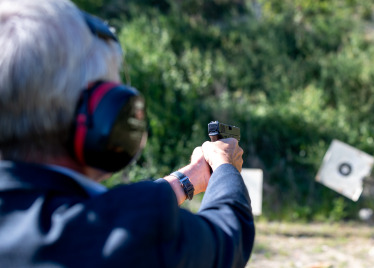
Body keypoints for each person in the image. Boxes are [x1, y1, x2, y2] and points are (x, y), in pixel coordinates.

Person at [0, 0, 255, 267]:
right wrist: (225, 167)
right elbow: (228, 239)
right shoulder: (127, 236)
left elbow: (104, 211)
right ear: (103, 114)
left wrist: (186, 180)